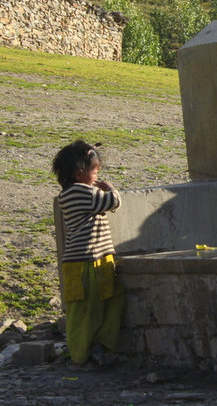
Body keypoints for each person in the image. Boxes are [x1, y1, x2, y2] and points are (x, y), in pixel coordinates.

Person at [52, 140, 124, 368]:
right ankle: (82, 353)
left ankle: (97, 347)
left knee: (107, 301)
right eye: (95, 171)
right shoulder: (78, 193)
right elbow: (114, 202)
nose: (97, 177)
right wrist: (109, 187)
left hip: (98, 258)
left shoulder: (77, 192)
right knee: (86, 308)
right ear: (79, 172)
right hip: (84, 262)